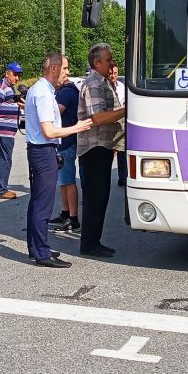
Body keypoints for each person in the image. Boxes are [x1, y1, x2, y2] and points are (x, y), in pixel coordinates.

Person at [25, 52, 91, 267]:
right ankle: (41, 253)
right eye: (65, 69)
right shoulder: (43, 94)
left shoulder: (40, 89)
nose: (68, 73)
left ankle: (37, 248)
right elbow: (49, 132)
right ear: (53, 68)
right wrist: (77, 127)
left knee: (37, 202)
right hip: (44, 151)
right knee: (42, 205)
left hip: (40, 151)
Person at [76, 44, 127, 258]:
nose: (111, 62)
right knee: (95, 197)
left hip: (103, 146)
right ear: (97, 63)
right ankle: (89, 244)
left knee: (101, 196)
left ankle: (94, 241)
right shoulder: (94, 83)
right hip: (94, 148)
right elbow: (97, 117)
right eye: (108, 59)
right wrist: (128, 109)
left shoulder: (104, 81)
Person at [49, 64, 81, 234]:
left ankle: (73, 218)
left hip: (67, 141)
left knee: (68, 181)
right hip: (63, 141)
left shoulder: (67, 92)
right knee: (63, 181)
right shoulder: (65, 91)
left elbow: (55, 113)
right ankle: (65, 212)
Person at [0, 61, 23, 199]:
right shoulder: (1, 87)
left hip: (5, 130)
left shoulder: (9, 87)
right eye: (15, 74)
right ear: (7, 73)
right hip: (2, 130)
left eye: (19, 75)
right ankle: (1, 190)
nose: (17, 78)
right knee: (4, 159)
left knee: (4, 158)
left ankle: (1, 188)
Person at [108, 63, 128, 187]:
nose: (114, 76)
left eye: (116, 73)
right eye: (111, 73)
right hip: (108, 120)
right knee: (109, 151)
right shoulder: (104, 87)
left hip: (120, 120)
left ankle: (122, 178)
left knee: (122, 150)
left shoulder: (122, 86)